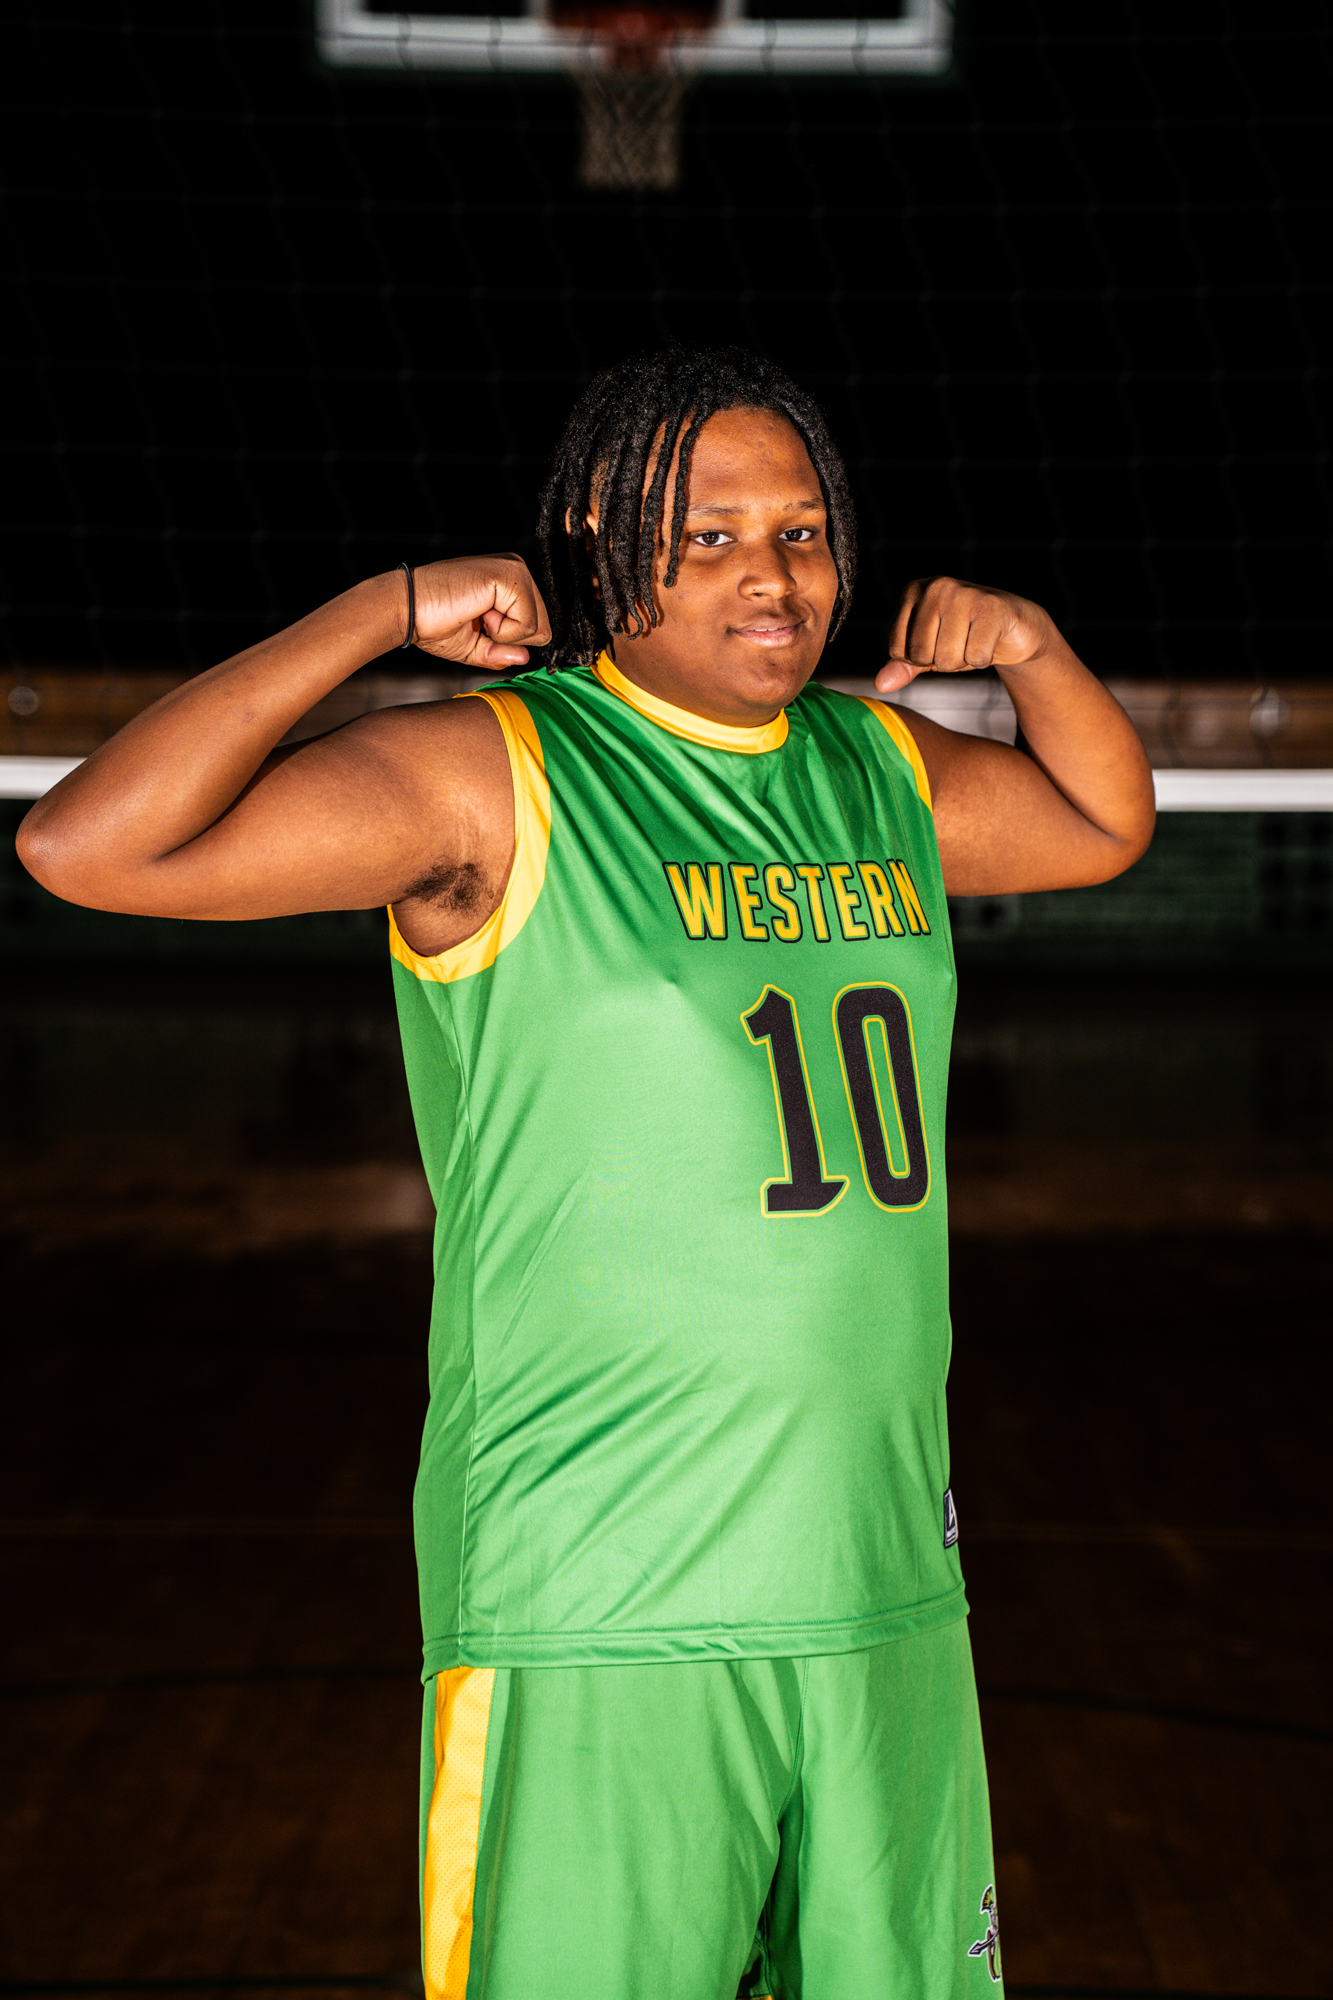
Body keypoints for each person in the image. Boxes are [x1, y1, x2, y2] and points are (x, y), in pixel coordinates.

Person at [18, 348, 1154, 2000]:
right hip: (604, 1585)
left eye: (802, 532)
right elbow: (86, 846)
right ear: (601, 545)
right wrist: (374, 613)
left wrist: (1035, 651)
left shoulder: (877, 769)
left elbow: (1099, 825)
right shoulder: (491, 772)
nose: (771, 576)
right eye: (707, 538)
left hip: (878, 1579)